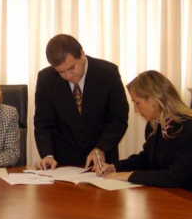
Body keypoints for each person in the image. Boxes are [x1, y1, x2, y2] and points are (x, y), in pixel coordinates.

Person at [97, 70, 192, 199]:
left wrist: (129, 175)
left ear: (153, 99)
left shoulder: (191, 128)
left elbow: (173, 177)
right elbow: (146, 159)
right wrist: (114, 167)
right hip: (166, 196)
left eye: (137, 103)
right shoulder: (155, 125)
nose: (136, 110)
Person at [34, 34, 129, 170]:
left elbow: (118, 119)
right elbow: (43, 123)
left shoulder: (108, 73)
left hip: (101, 160)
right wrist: (48, 155)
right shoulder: (46, 79)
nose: (68, 76)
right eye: (61, 72)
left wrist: (100, 148)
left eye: (71, 68)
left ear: (82, 54)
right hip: (62, 163)